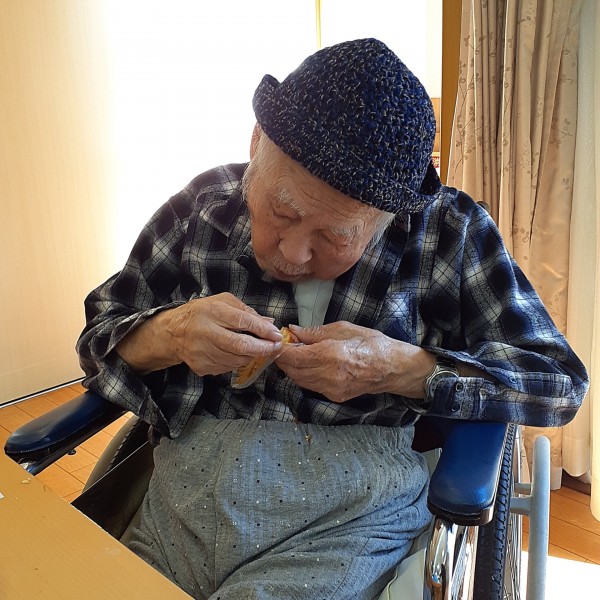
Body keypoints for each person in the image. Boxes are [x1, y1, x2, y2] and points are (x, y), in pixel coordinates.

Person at [77, 38, 588, 600]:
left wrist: (402, 369)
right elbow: (99, 333)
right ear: (257, 143)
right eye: (281, 212)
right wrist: (169, 334)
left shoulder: (448, 233)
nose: (293, 253)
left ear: (388, 217)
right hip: (183, 504)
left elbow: (557, 382)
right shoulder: (202, 205)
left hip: (345, 524)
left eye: (335, 236)